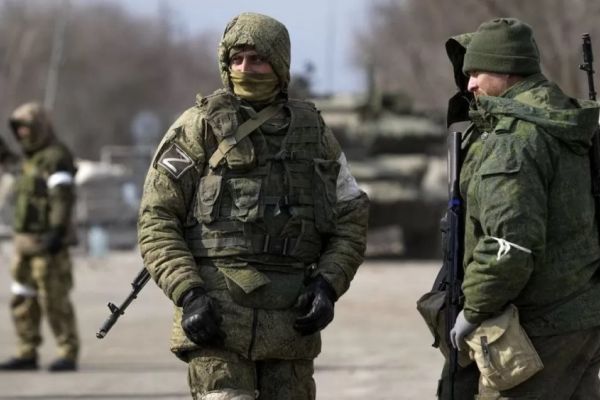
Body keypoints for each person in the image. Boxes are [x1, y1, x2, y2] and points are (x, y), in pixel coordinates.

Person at [137, 12, 369, 400]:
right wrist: (188, 293)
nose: (245, 69)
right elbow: (157, 219)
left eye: (258, 59)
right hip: (216, 323)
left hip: (290, 326)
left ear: (279, 64)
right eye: (237, 59)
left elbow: (351, 217)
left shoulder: (313, 134)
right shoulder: (198, 128)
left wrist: (328, 284)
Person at [439, 18, 600, 399]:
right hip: (582, 316)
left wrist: (474, 310)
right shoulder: (561, 122)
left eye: (476, 72)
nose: (469, 85)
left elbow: (508, 244)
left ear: (506, 69)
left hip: (535, 328)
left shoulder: (514, 140)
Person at [0, 102, 79, 372]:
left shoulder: (55, 157)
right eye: (18, 129)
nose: (22, 133)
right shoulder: (29, 160)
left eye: (26, 127)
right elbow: (12, 166)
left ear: (40, 127)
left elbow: (62, 197)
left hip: (47, 243)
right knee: (22, 299)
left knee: (54, 298)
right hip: (24, 242)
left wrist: (57, 231)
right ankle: (27, 350)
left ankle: (67, 351)